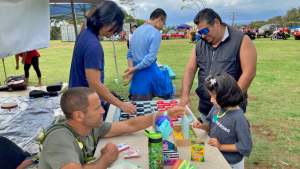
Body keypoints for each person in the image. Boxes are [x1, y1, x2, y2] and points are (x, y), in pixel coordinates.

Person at [38, 87, 187, 169]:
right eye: (97, 109)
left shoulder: (90, 127)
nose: (103, 111)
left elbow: (129, 125)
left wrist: (164, 113)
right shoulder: (58, 139)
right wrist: (108, 157)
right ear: (78, 116)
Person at [179, 8, 257, 123]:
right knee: (206, 137)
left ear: (216, 23)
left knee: (225, 140)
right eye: (200, 33)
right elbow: (190, 70)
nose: (203, 36)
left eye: (205, 31)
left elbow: (249, 73)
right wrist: (185, 94)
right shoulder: (200, 44)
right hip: (205, 106)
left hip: (230, 109)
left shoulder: (241, 40)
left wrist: (228, 101)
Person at [68, 1, 137, 117]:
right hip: (86, 107)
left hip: (78, 100)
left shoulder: (85, 33)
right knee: (97, 134)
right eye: (116, 26)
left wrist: (102, 95)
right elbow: (94, 83)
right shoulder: (93, 45)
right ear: (108, 20)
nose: (116, 31)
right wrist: (121, 104)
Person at [193, 72, 253, 168]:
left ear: (228, 97)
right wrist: (202, 126)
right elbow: (210, 123)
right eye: (211, 96)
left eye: (214, 97)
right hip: (216, 155)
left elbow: (245, 146)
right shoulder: (218, 107)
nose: (211, 100)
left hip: (231, 164)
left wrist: (221, 146)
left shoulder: (239, 119)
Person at [122, 8, 176, 101]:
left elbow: (130, 53)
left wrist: (132, 70)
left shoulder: (136, 31)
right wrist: (133, 69)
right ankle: (166, 113)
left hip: (137, 75)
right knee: (170, 90)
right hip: (149, 73)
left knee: (139, 106)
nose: (163, 27)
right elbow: (150, 58)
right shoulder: (155, 33)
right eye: (164, 23)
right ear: (159, 19)